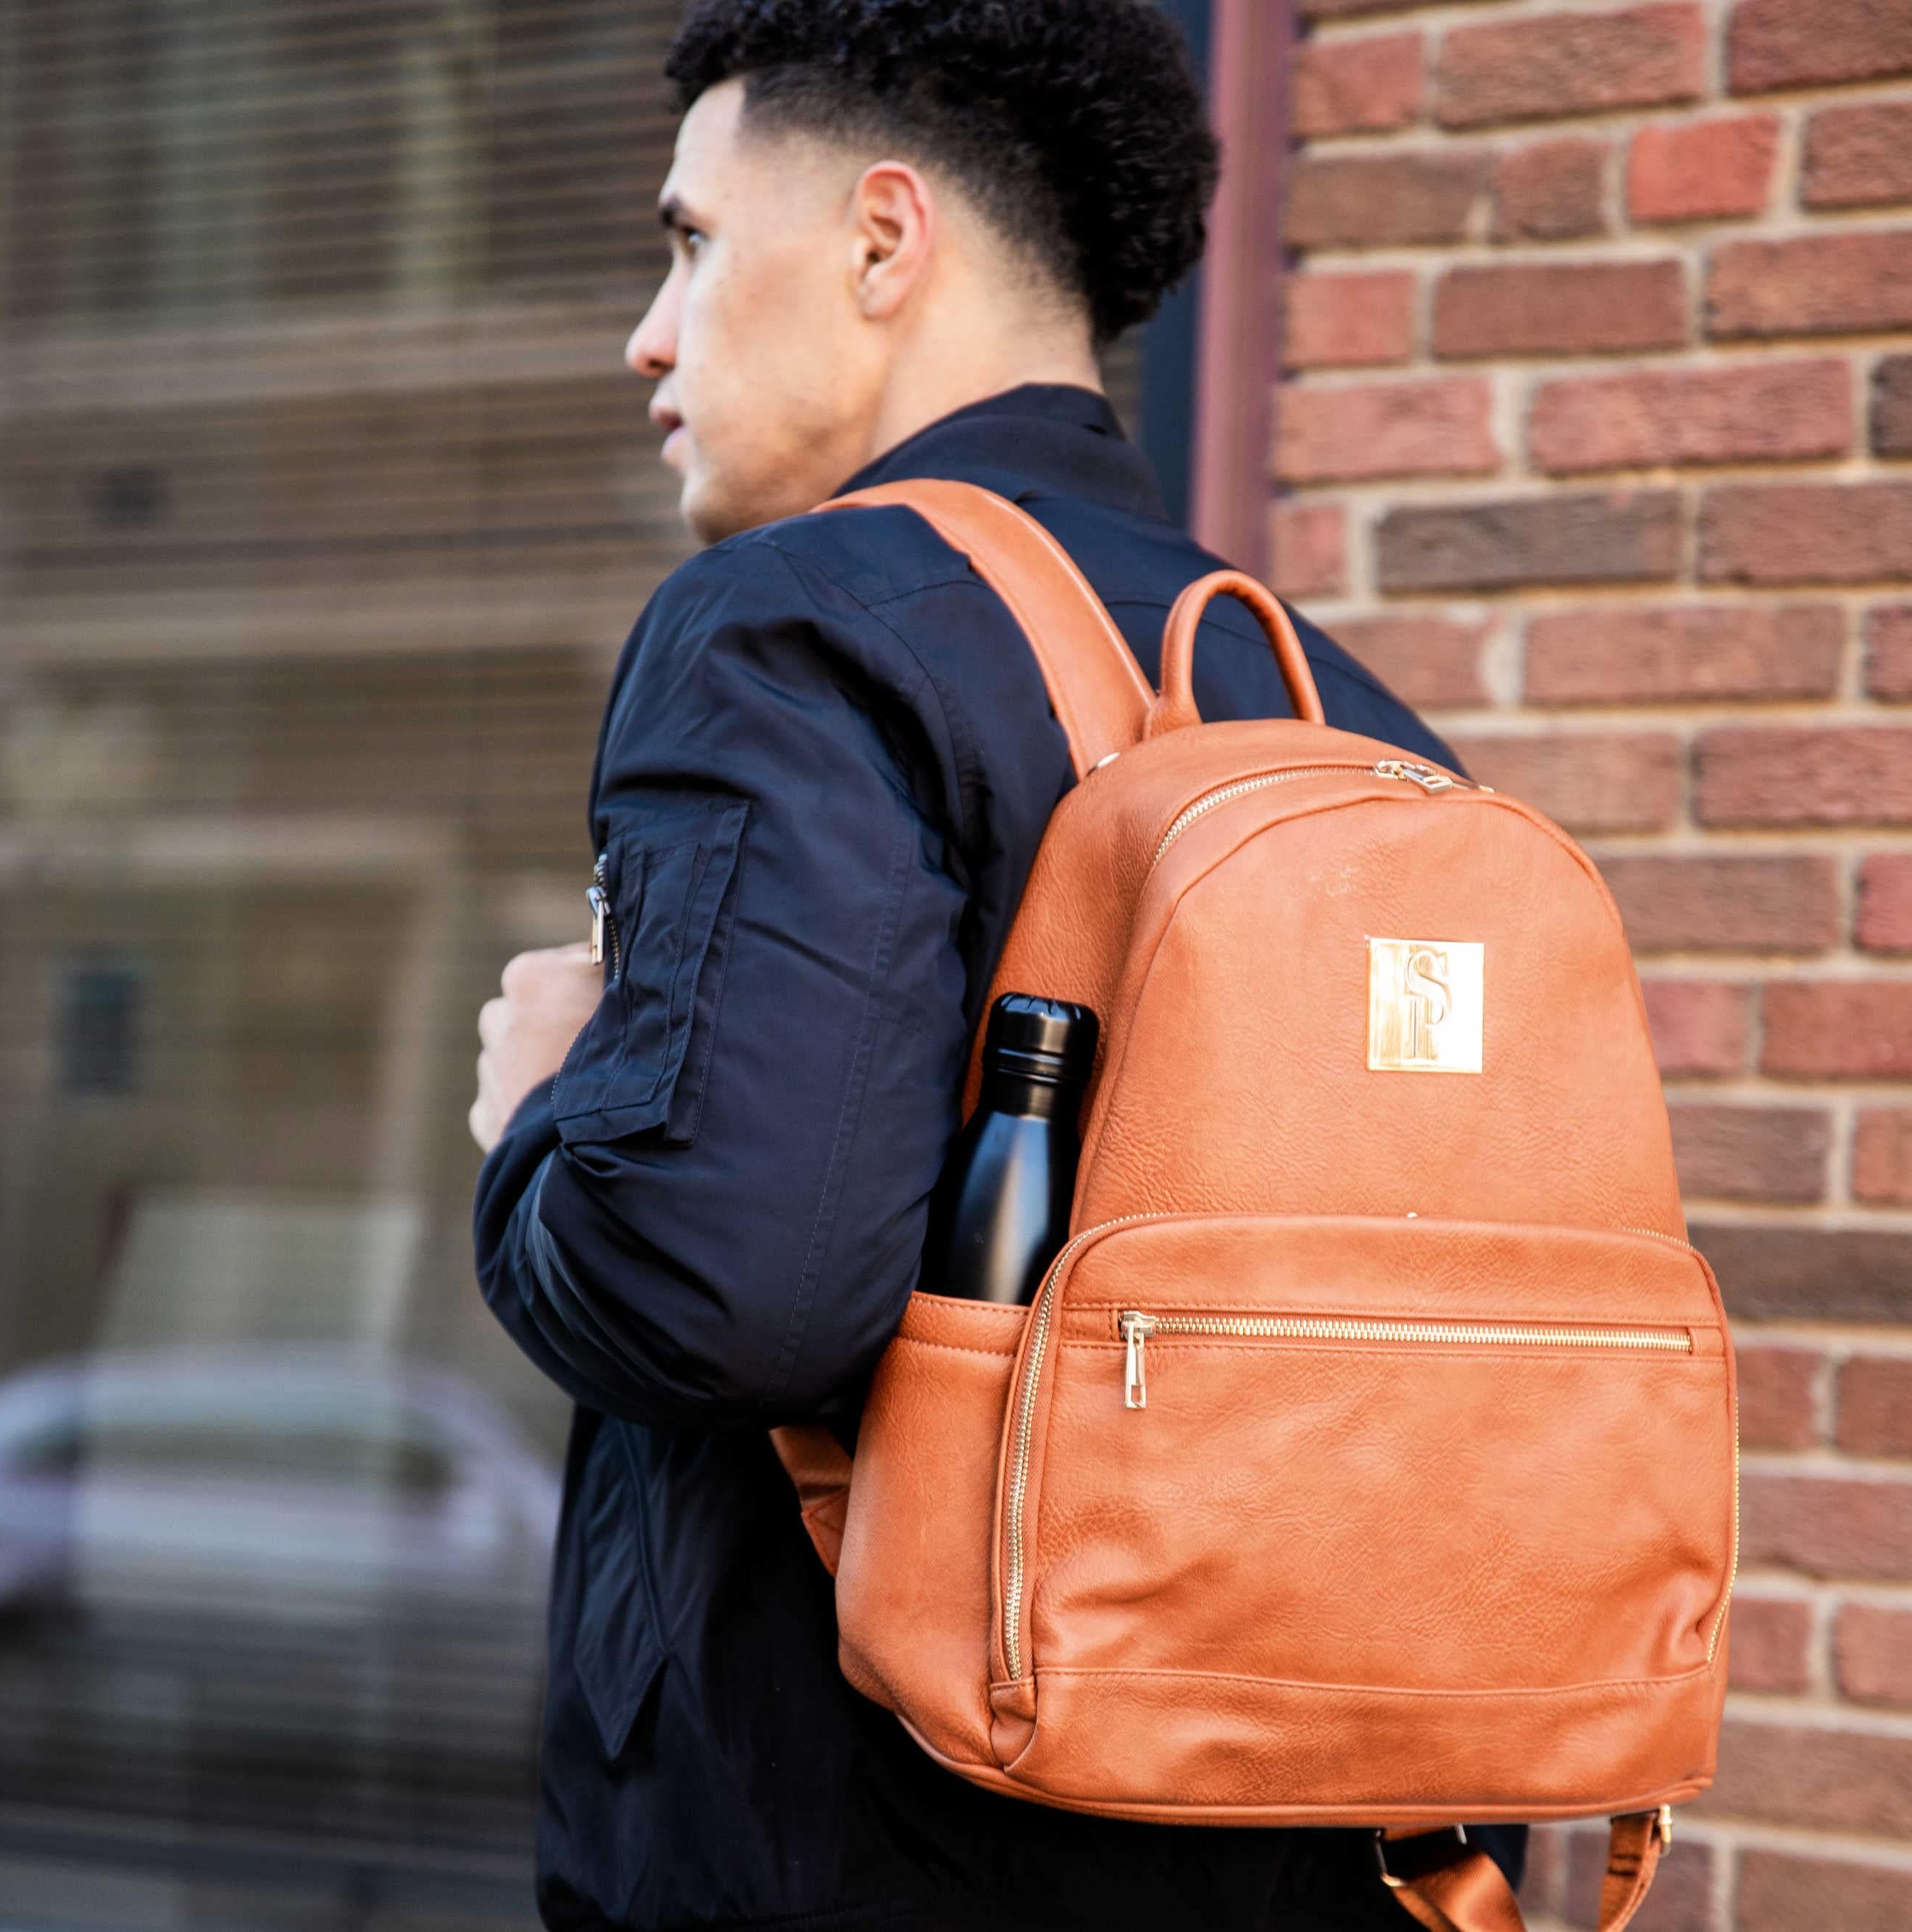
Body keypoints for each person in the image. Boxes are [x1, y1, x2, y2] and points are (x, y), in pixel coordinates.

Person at [471, 4, 1519, 1928]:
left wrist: (544, 1098)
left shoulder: (789, 631)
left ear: (883, 244)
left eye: (692, 240)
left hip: (860, 1850)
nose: (649, 327)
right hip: (1305, 1859)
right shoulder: (1339, 713)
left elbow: (721, 1293)